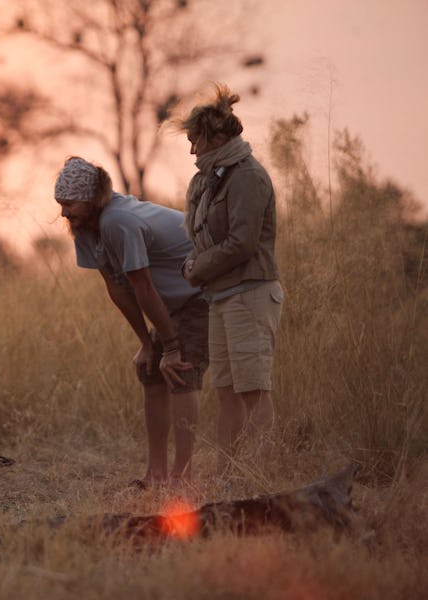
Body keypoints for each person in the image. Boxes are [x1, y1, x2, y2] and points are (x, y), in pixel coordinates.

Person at [55, 156, 209, 487]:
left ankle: (183, 476)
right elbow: (115, 285)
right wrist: (146, 344)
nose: (63, 212)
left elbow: (142, 284)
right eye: (60, 204)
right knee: (150, 372)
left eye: (69, 203)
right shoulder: (85, 228)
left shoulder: (117, 221)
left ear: (90, 198)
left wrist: (169, 346)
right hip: (169, 301)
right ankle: (155, 473)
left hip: (199, 294)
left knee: (180, 371)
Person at [176, 84, 283, 469]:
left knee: (253, 388)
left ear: (217, 137)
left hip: (251, 292)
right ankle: (230, 474)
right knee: (225, 389)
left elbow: (242, 243)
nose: (192, 150)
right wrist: (195, 265)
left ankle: (263, 475)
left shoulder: (247, 176)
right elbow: (206, 239)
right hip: (221, 295)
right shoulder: (210, 178)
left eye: (195, 141)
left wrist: (196, 268)